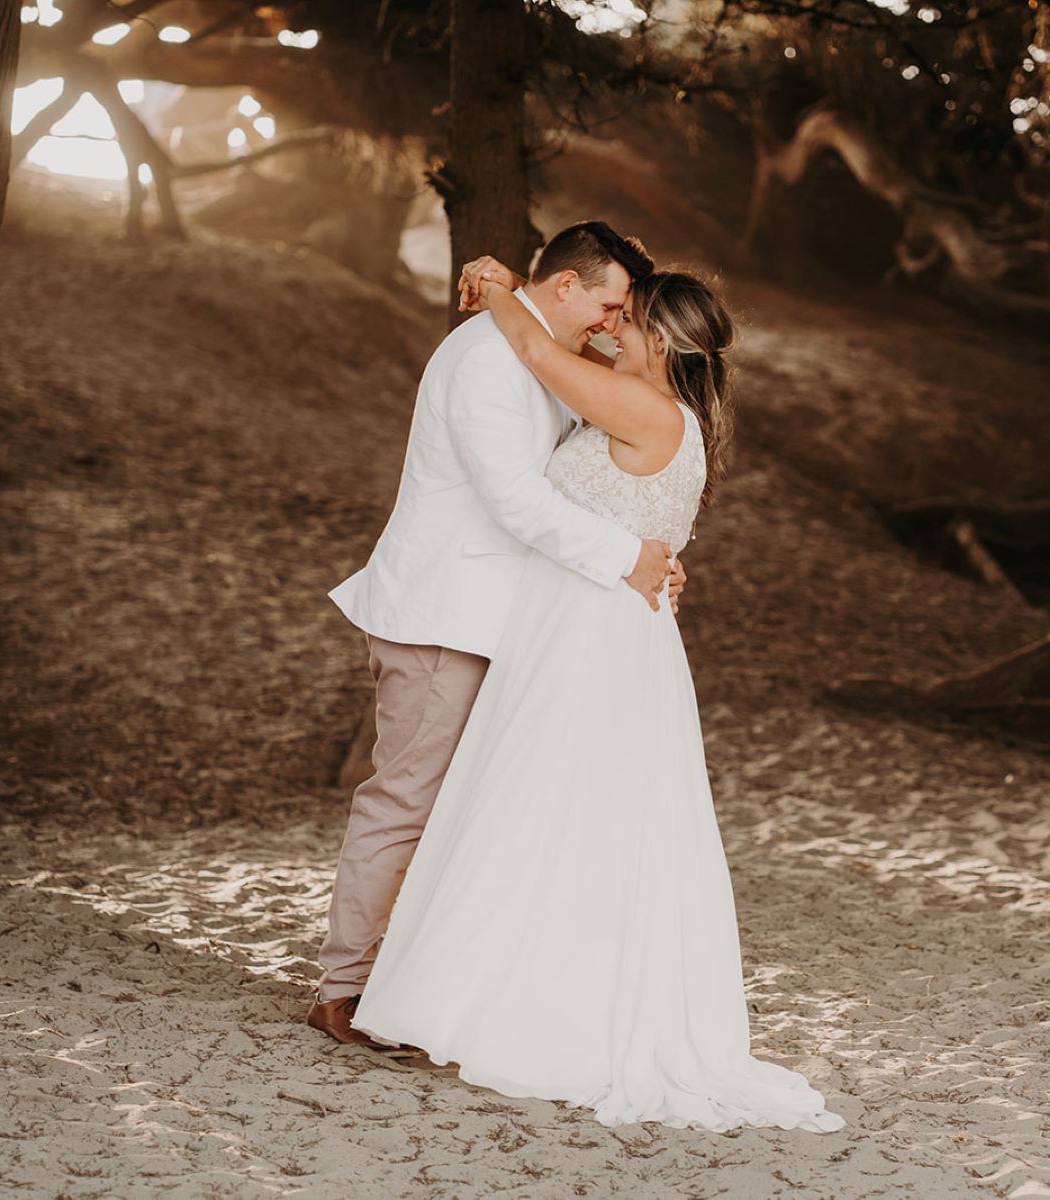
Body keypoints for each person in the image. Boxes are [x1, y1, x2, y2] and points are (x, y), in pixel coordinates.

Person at [348, 254, 845, 1133]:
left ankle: (518, 1005)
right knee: (560, 814)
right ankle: (501, 986)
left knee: (544, 808)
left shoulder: (644, 404)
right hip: (589, 625)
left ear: (659, 339)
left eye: (628, 319)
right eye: (609, 311)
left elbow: (539, 359)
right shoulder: (665, 411)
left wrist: (500, 292)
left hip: (588, 636)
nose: (612, 327)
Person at [312, 222, 686, 1046]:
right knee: (403, 804)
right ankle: (343, 989)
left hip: (501, 622)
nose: (611, 323)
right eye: (608, 303)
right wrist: (629, 557)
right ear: (566, 288)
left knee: (465, 809)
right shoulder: (486, 360)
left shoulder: (533, 347)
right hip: (444, 616)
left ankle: (412, 982)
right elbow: (516, 501)